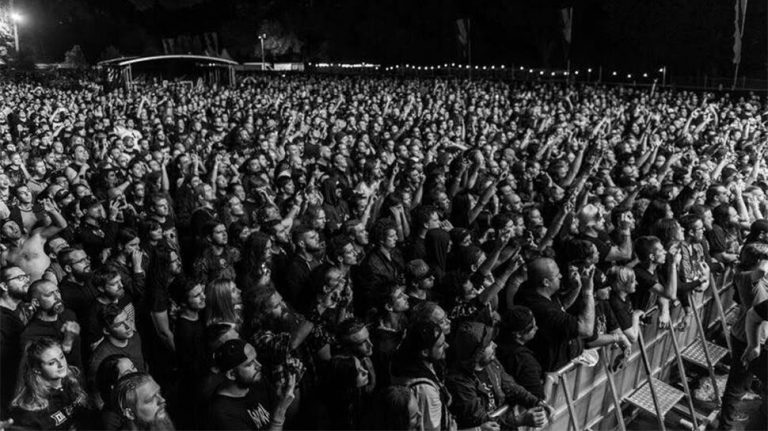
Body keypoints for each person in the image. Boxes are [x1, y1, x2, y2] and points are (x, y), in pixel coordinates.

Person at [446, 321, 549, 430]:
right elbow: (481, 421)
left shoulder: (491, 362)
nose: (495, 345)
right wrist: (520, 420)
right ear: (477, 353)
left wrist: (537, 402)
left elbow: (511, 387)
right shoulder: (459, 382)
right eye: (489, 344)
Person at [514, 258, 594, 371]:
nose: (561, 276)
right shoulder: (543, 310)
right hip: (553, 370)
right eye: (557, 275)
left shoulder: (530, 290)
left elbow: (561, 307)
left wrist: (577, 288)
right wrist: (588, 292)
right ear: (546, 282)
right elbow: (586, 330)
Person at [207, 338, 297, 430]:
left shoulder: (255, 381)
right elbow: (280, 414)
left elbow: (288, 417)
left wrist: (285, 394)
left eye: (255, 359)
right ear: (232, 374)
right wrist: (280, 412)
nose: (259, 366)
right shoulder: (222, 413)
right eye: (250, 364)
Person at [9, 337, 88, 430]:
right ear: (37, 369)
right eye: (52, 363)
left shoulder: (73, 378)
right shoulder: (29, 410)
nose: (61, 364)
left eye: (61, 357)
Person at [391, 321, 453, 431]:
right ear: (424, 352)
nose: (447, 346)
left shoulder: (408, 362)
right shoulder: (424, 390)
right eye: (440, 345)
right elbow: (432, 428)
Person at [21, 280, 83, 369]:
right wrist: (67, 342)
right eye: (49, 294)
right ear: (36, 303)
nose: (57, 297)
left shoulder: (68, 315)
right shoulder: (30, 334)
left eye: (57, 291)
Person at [0, 266, 31, 416]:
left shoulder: (21, 308)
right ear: (4, 286)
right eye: (19, 278)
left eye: (26, 276)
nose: (26, 281)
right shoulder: (2, 319)